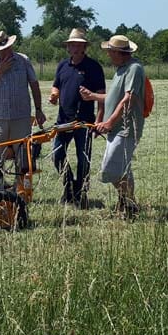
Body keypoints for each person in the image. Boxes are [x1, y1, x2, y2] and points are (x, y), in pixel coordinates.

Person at [80, 34, 145, 217]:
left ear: (119, 53)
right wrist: (93, 96)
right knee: (122, 169)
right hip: (116, 128)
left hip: (125, 128)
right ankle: (128, 204)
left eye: (110, 51)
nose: (108, 54)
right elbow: (114, 97)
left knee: (110, 168)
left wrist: (109, 122)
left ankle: (129, 203)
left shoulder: (134, 69)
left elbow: (129, 99)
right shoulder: (120, 69)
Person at [47, 28, 105, 207]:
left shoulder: (94, 67)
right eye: (71, 44)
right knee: (57, 155)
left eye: (78, 45)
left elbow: (101, 95)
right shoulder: (63, 65)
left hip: (84, 121)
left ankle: (81, 194)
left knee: (83, 159)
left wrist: (99, 120)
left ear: (84, 47)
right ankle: (69, 187)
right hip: (63, 120)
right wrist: (54, 95)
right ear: (68, 47)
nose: (74, 47)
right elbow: (56, 86)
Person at [0, 30, 45, 167]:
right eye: (0, 50)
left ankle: (21, 181)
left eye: (6, 48)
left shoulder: (23, 60)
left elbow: (34, 85)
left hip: (21, 117)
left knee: (23, 156)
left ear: (11, 46)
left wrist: (38, 109)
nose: (4, 52)